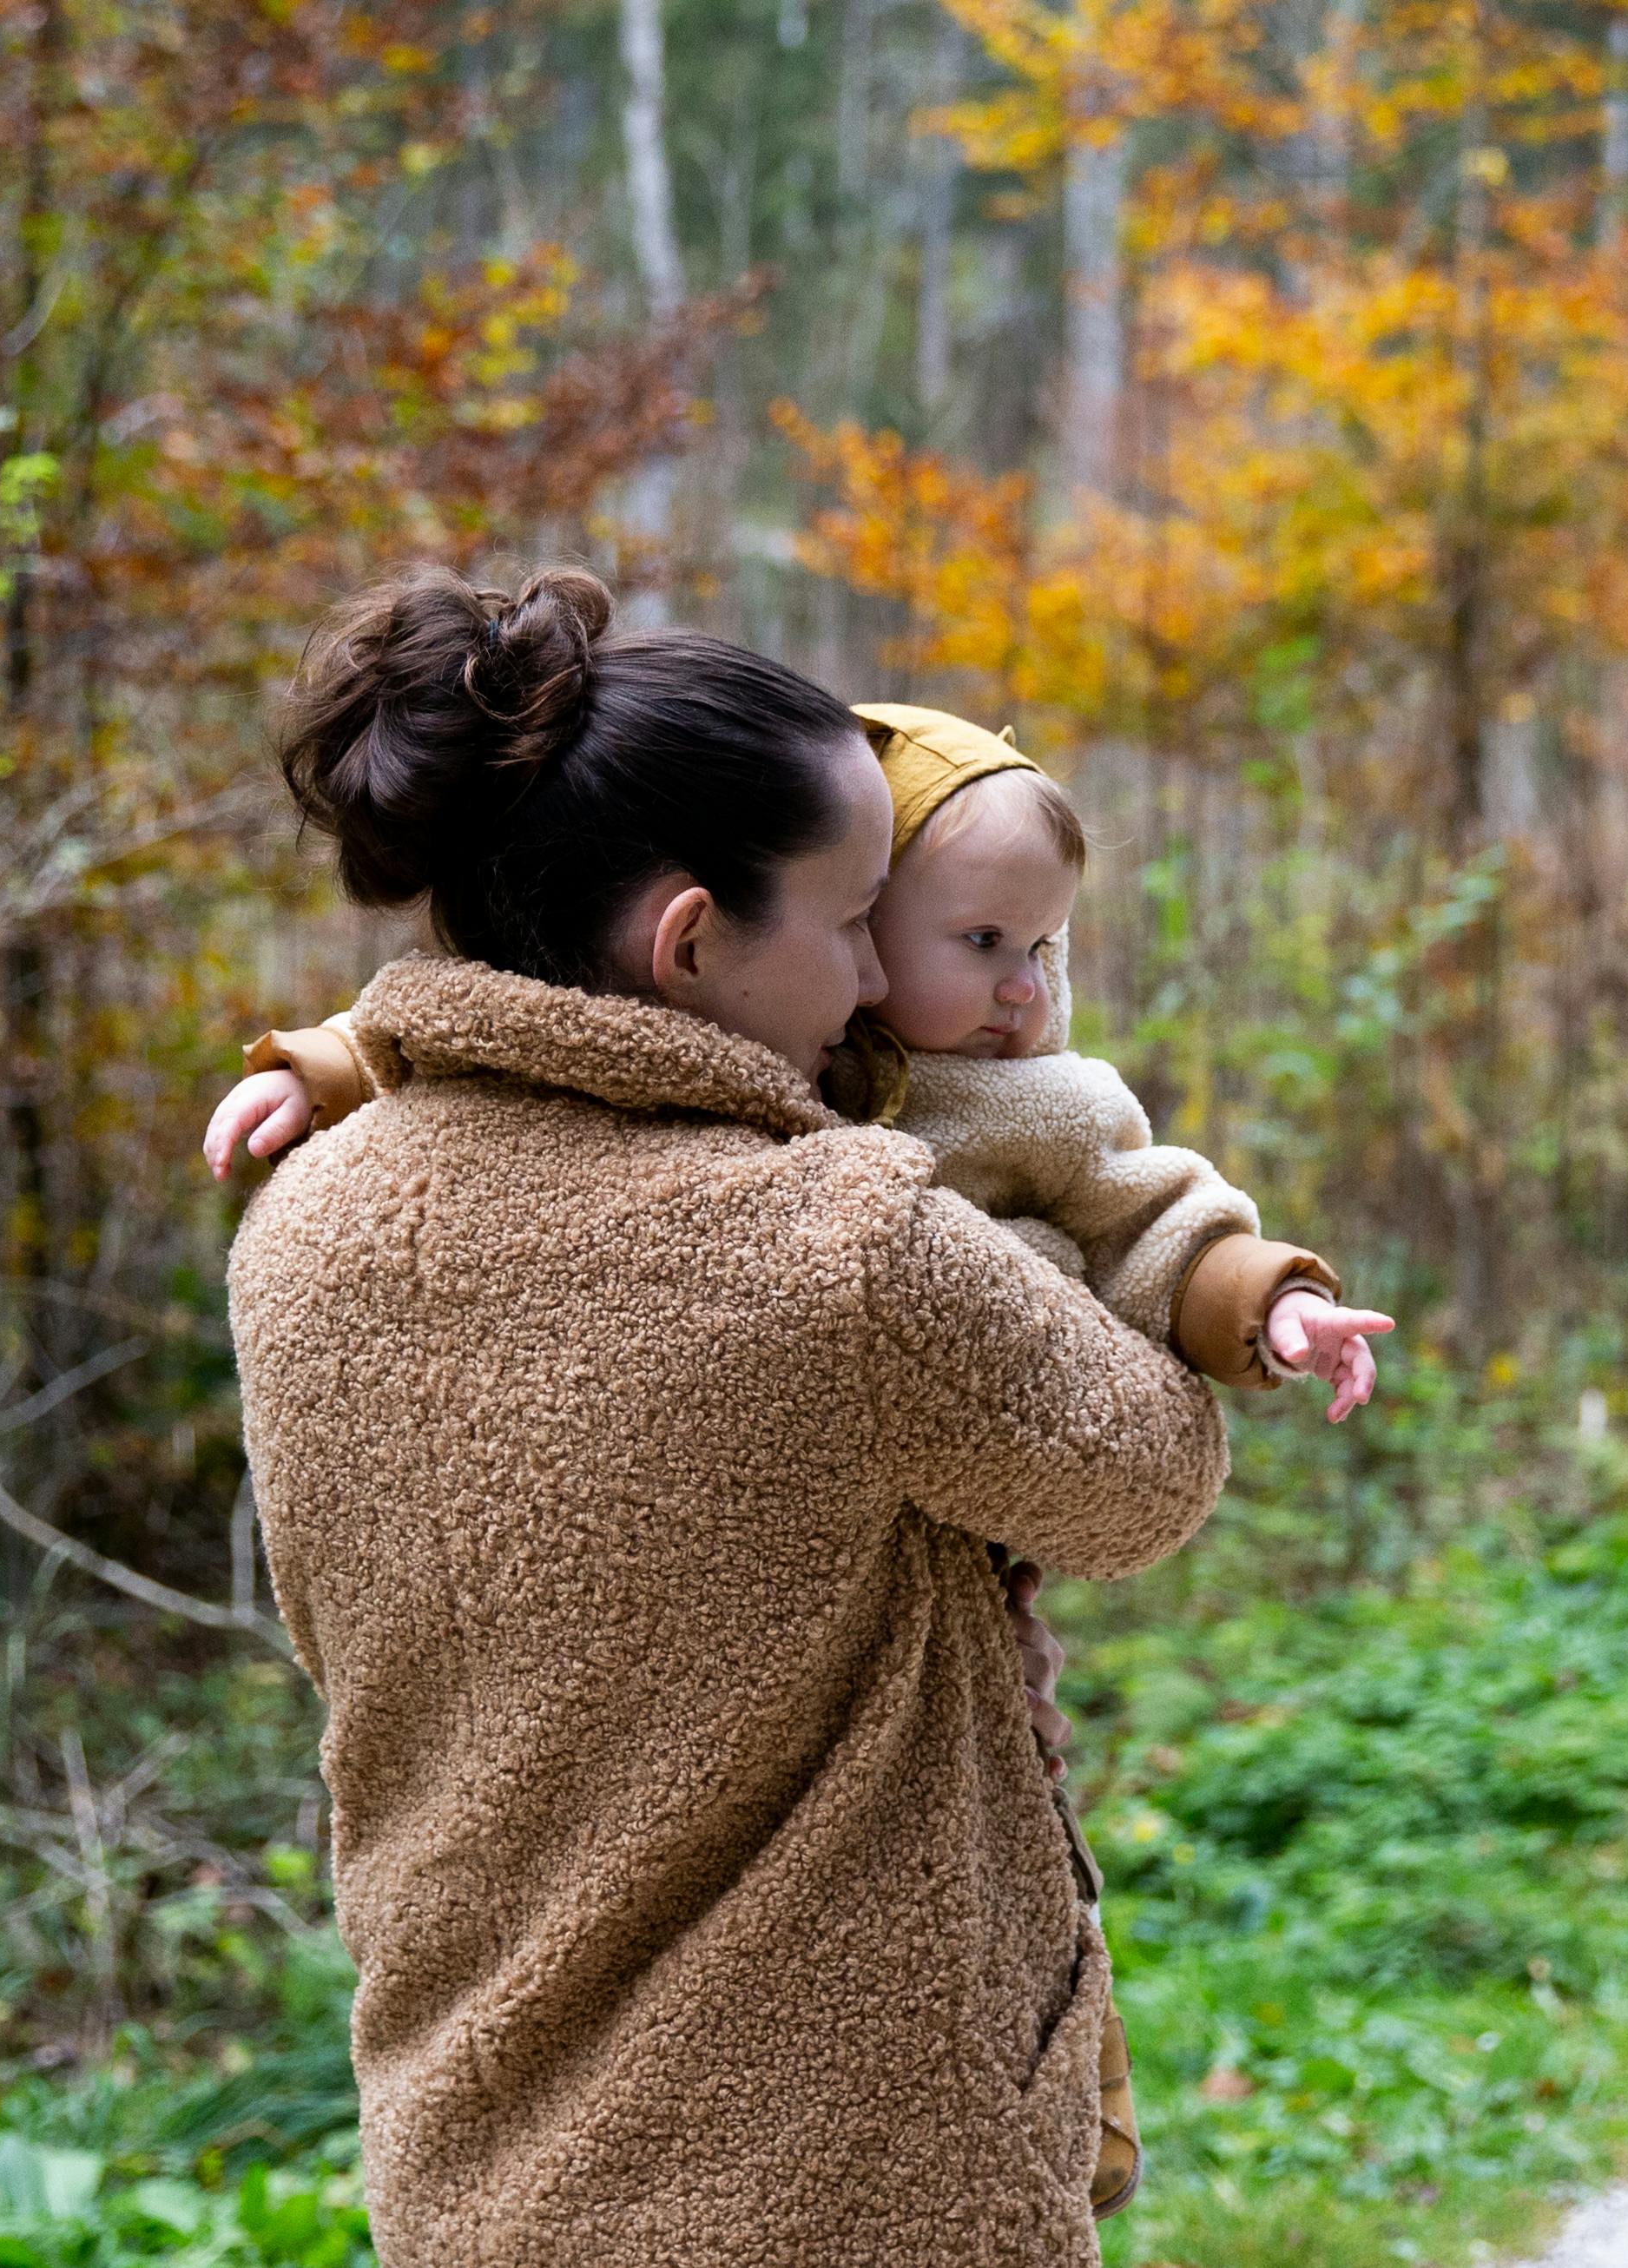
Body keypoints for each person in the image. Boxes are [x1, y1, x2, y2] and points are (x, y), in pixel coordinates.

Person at [211, 695, 1401, 2219]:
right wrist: (1031, 1252)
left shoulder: (303, 1220)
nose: (864, 982)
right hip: (846, 2158)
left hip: (475, 2146)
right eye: (852, 921)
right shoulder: (843, 1244)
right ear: (692, 939)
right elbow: (1142, 1482)